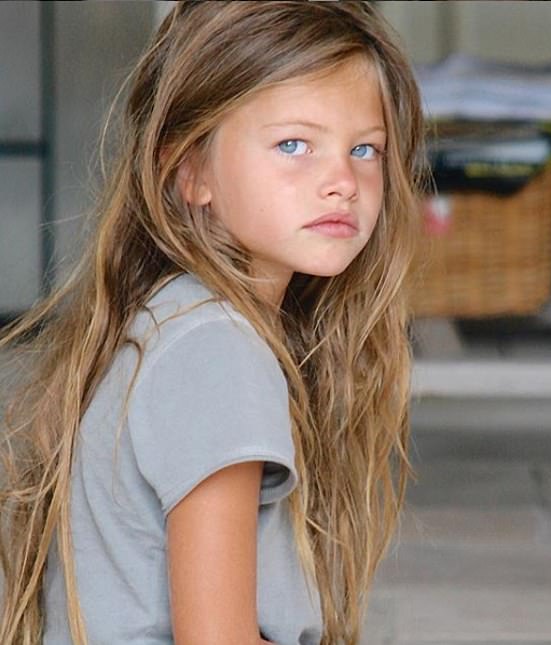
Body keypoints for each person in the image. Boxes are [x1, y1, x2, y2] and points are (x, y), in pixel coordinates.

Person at [0, 1, 427, 644]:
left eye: (364, 149)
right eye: (294, 145)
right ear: (190, 170)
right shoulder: (218, 351)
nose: (342, 180)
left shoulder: (180, 319)